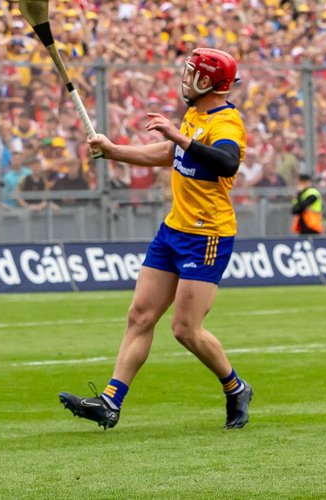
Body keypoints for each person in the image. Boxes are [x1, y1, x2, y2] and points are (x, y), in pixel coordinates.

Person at [62, 48, 254, 430]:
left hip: (207, 236)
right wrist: (115, 150)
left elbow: (226, 162)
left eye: (191, 73)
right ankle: (110, 402)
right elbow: (168, 153)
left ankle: (235, 388)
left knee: (184, 329)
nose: (184, 79)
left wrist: (178, 138)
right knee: (140, 315)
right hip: (173, 231)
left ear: (208, 82)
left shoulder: (227, 123)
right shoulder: (194, 116)